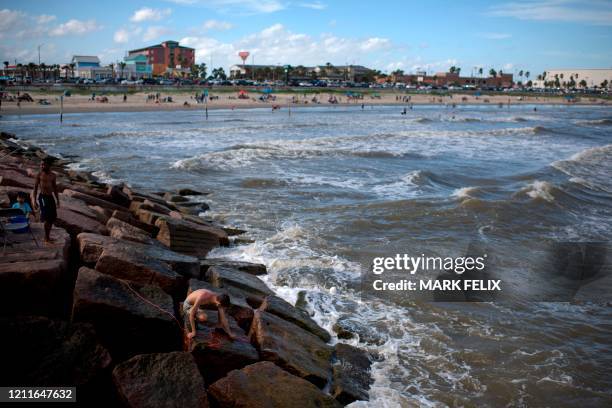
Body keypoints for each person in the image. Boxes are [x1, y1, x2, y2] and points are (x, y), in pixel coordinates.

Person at [32, 158, 60, 243]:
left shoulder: (53, 175)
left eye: (44, 164)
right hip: (43, 197)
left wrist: (58, 200)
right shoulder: (39, 174)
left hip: (50, 197)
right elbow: (35, 187)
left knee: (52, 218)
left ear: (49, 165)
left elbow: (55, 188)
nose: (42, 166)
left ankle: (47, 237)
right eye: (41, 164)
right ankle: (46, 238)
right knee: (47, 218)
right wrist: (34, 200)